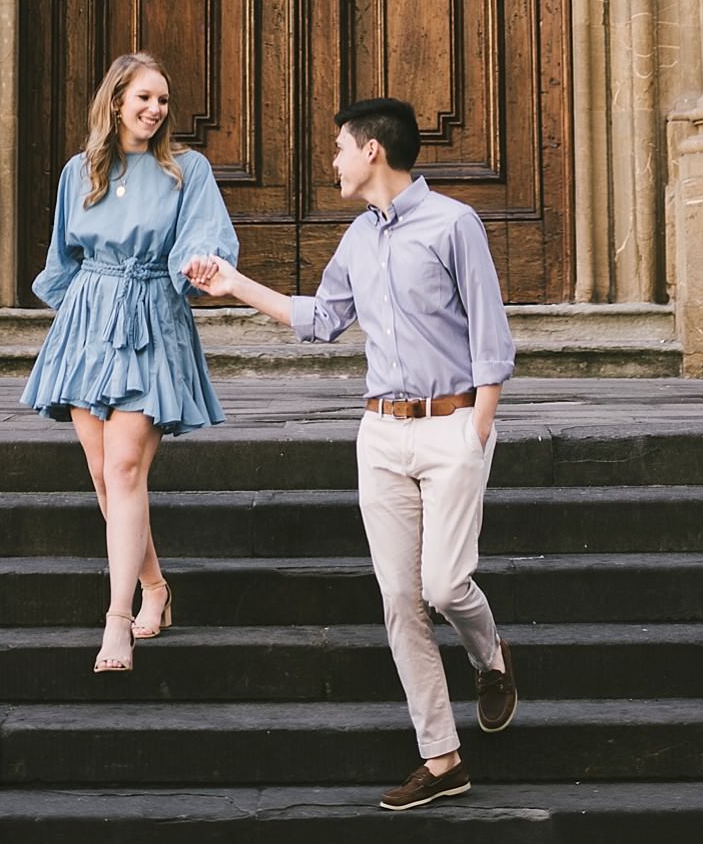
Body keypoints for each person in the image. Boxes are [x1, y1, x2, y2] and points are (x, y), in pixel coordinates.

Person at [186, 97, 517, 813]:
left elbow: (492, 338)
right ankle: (441, 758)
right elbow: (322, 319)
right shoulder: (359, 238)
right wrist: (233, 285)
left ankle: (490, 656)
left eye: (339, 146)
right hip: (381, 434)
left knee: (445, 586)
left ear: (372, 149)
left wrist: (476, 429)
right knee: (400, 600)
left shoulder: (454, 224)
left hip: (452, 425)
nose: (332, 159)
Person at [23, 51, 238, 674]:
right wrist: (80, 315)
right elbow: (62, 256)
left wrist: (197, 264)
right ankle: (155, 586)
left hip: (150, 319)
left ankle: (117, 621)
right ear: (116, 102)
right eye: (144, 97)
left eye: (163, 100)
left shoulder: (186, 170)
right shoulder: (80, 170)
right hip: (89, 320)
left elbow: (205, 234)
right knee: (103, 473)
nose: (155, 109)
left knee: (124, 466)